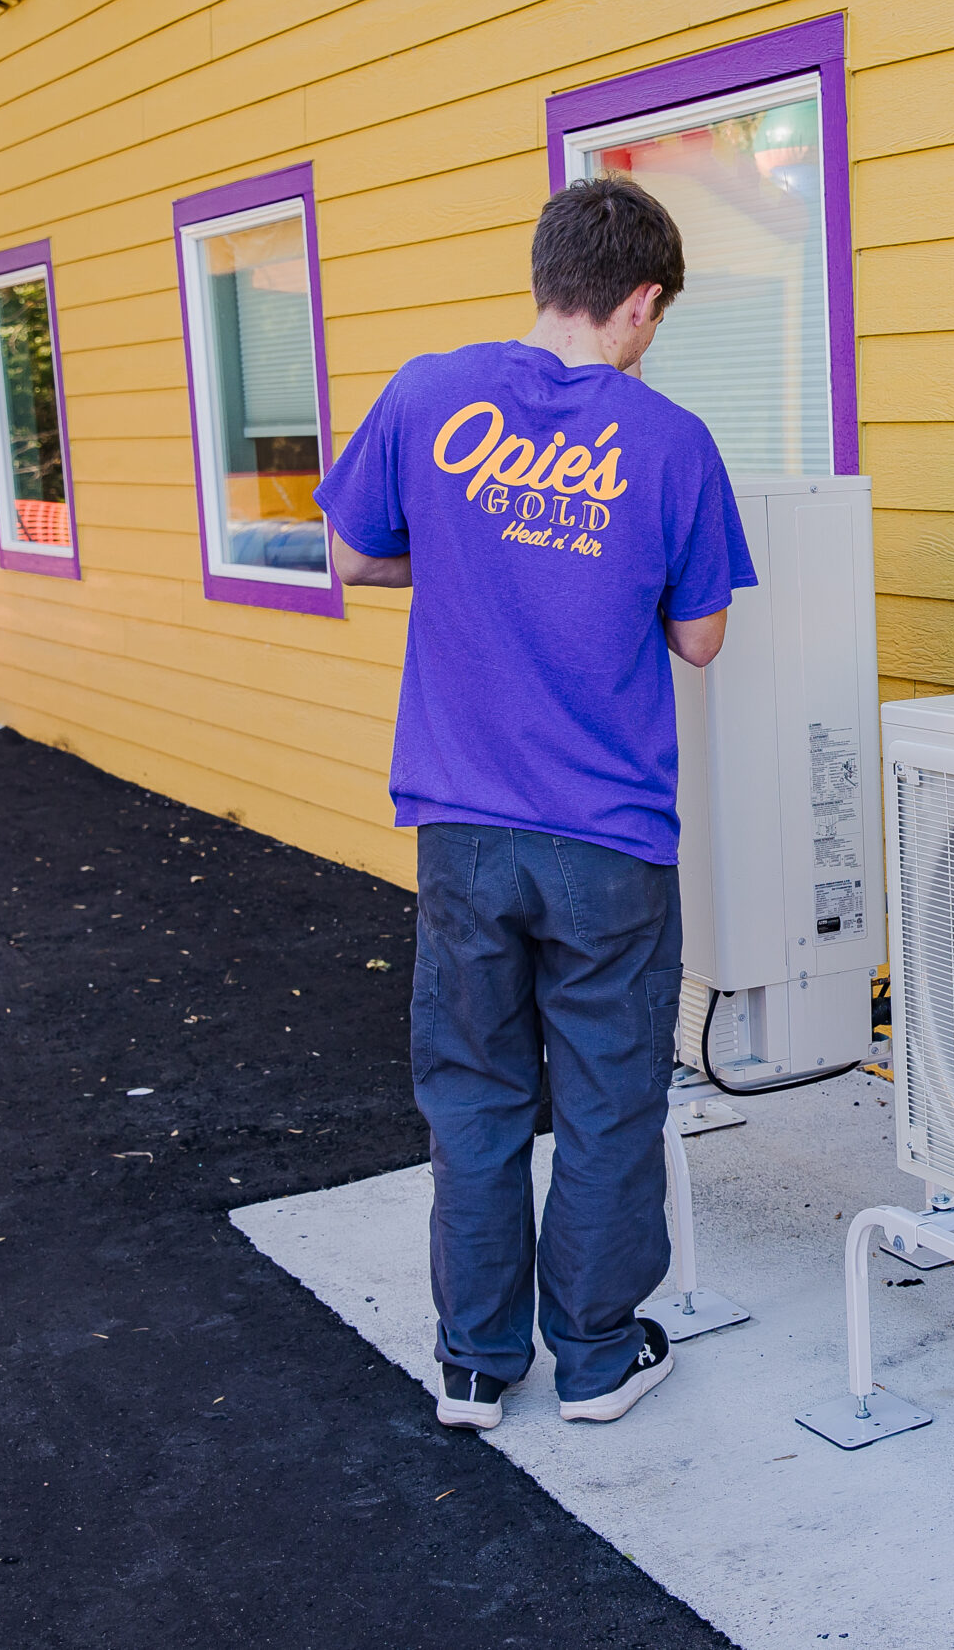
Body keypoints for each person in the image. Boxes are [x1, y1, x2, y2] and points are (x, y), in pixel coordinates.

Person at [316, 175, 755, 1431]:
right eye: (656, 318)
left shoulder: (426, 392)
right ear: (641, 299)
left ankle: (473, 1364)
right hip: (608, 835)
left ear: (544, 274)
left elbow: (349, 554)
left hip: (461, 824)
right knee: (612, 1099)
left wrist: (468, 555)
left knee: (474, 1092)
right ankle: (600, 1361)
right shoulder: (671, 442)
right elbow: (704, 637)